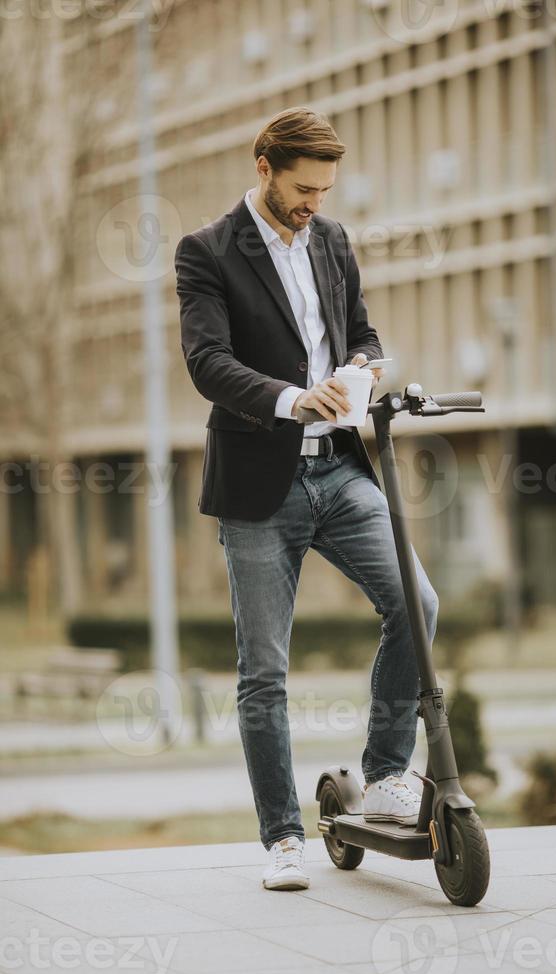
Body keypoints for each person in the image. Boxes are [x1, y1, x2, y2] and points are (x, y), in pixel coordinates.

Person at [175, 107, 439, 891]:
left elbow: (360, 331)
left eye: (323, 190)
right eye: (301, 188)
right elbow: (207, 363)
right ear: (264, 167)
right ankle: (282, 838)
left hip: (340, 472)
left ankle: (388, 772)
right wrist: (296, 399)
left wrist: (365, 367)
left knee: (416, 605)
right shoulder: (207, 252)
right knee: (264, 670)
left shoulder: (331, 240)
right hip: (260, 482)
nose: (313, 203)